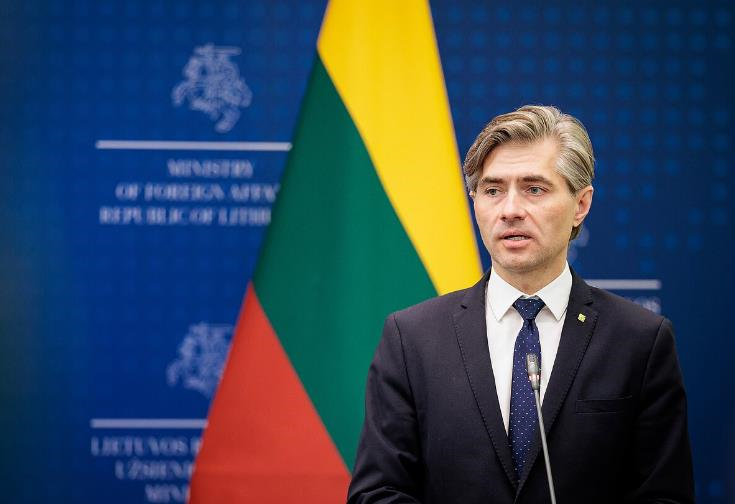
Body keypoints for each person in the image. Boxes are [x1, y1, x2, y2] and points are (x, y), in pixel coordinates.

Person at [347, 105, 694, 503]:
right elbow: (378, 493)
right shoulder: (412, 339)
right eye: (492, 190)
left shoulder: (640, 341)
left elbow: (665, 496)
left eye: (534, 189)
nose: (510, 210)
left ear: (581, 204)